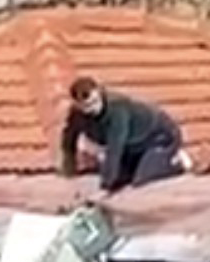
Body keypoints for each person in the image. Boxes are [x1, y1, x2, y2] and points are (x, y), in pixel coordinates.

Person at [60, 75, 190, 191]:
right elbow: (68, 141)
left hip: (159, 137)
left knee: (141, 181)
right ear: (77, 105)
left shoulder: (116, 109)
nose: (92, 109)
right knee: (121, 181)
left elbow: (115, 148)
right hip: (132, 146)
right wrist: (69, 173)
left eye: (94, 103)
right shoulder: (76, 114)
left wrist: (105, 188)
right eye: (85, 107)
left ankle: (176, 162)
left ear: (99, 94)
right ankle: (138, 164)